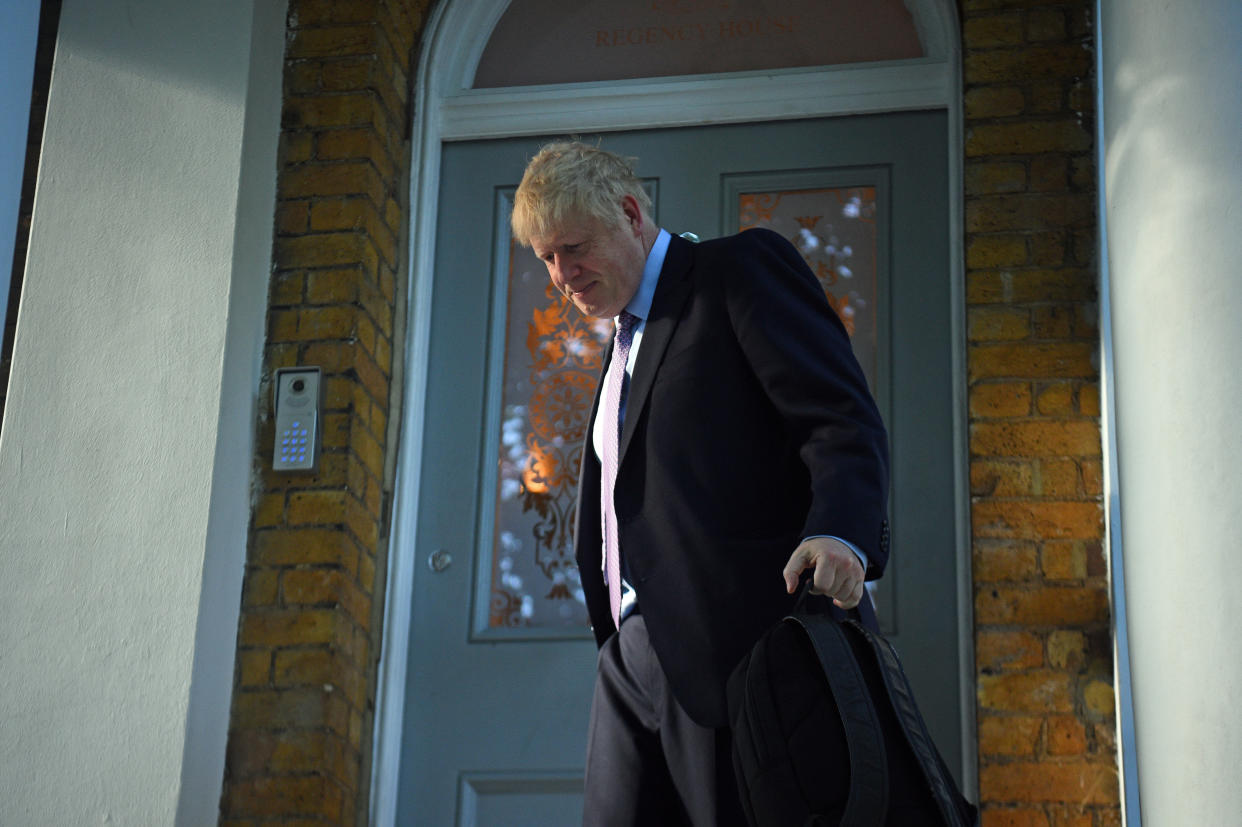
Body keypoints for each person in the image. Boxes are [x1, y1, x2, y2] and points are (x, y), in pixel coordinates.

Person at [511, 141, 890, 826]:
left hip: (740, 647)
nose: (562, 275)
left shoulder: (735, 273)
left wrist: (840, 529)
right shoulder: (624, 341)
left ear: (629, 213)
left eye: (574, 247)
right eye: (546, 258)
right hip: (630, 658)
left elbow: (838, 417)